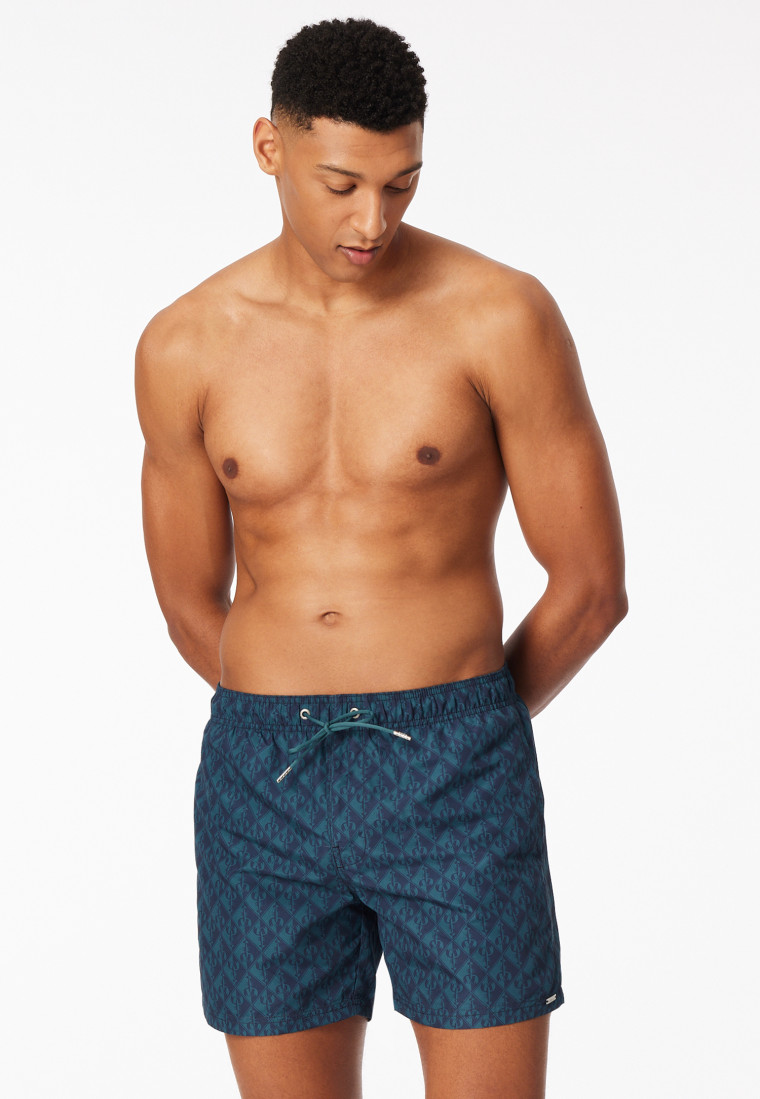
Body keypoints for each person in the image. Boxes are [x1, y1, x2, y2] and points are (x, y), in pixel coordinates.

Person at [135, 16, 627, 1099]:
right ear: (269, 147)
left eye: (402, 184)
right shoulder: (186, 343)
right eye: (342, 184)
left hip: (458, 772)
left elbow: (592, 586)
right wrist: (281, 700)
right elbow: (185, 600)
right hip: (261, 781)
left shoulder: (498, 315)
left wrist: (463, 723)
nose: (373, 220)